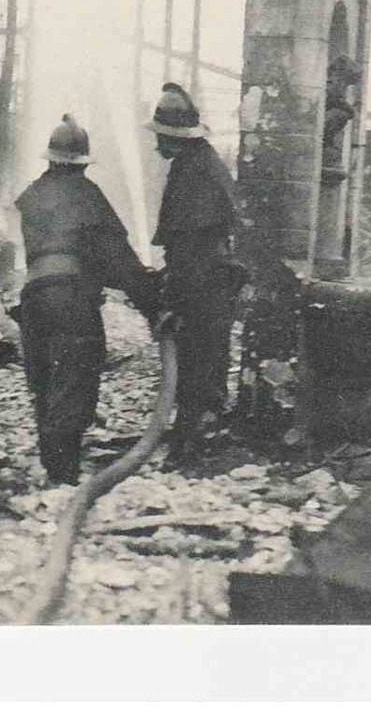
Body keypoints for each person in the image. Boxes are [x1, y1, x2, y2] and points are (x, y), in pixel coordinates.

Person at [13, 114, 161, 485]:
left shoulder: (32, 195)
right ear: (81, 164)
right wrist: (154, 305)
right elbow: (118, 261)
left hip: (33, 297)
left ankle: (52, 464)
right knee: (75, 377)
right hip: (71, 300)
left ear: (50, 158)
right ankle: (64, 477)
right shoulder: (87, 196)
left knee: (45, 379)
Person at [147, 83, 243, 461]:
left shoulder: (194, 171)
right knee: (206, 357)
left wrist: (172, 297)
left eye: (164, 137)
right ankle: (193, 434)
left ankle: (191, 442)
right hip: (208, 278)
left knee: (196, 358)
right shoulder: (198, 163)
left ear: (177, 137)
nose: (159, 145)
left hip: (202, 280)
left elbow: (190, 244)